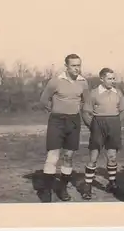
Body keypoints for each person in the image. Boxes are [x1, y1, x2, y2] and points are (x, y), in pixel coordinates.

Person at [38, 54, 90, 203]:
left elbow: (87, 102)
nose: (77, 68)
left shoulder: (83, 82)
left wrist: (86, 117)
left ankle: (62, 188)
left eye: (79, 65)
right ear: (66, 66)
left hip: (74, 121)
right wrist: (55, 112)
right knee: (53, 155)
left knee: (68, 156)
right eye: (73, 65)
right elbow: (43, 100)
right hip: (57, 121)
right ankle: (47, 191)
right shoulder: (55, 81)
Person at [80, 68, 124, 200]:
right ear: (102, 79)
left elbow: (122, 111)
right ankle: (87, 186)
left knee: (112, 156)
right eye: (109, 78)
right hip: (98, 125)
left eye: (113, 78)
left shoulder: (118, 92)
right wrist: (93, 126)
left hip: (114, 124)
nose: (112, 81)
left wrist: (116, 124)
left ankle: (112, 183)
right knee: (93, 156)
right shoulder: (94, 93)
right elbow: (86, 112)